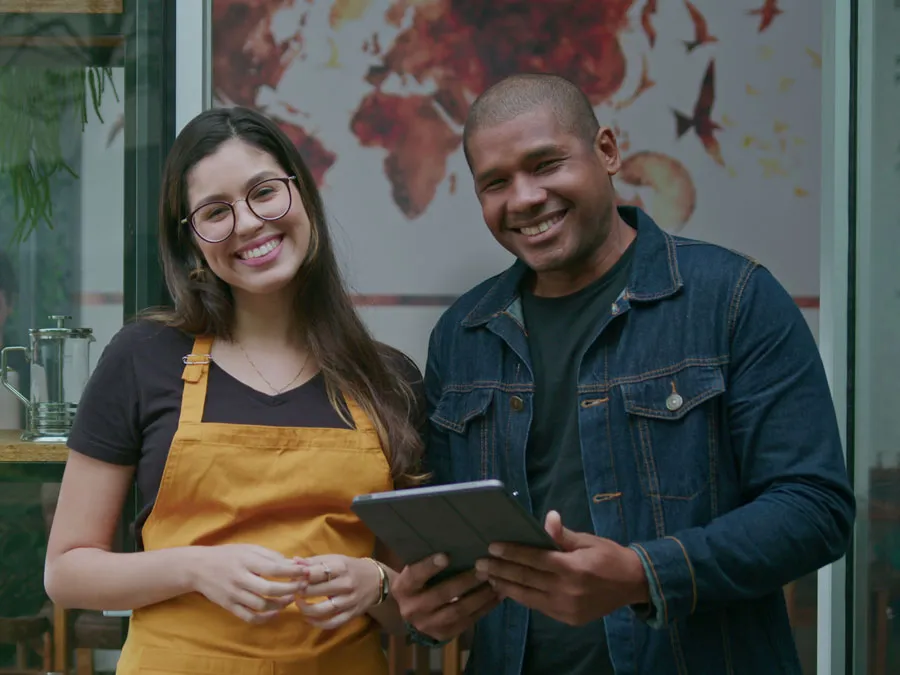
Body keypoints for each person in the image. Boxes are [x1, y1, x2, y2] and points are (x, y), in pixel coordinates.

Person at [390, 73, 855, 674]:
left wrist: (642, 575)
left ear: (607, 151)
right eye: (496, 183)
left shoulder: (733, 297)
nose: (525, 198)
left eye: (546, 164)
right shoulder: (464, 333)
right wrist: (426, 610)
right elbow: (452, 536)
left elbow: (815, 510)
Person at [43, 106, 425, 674]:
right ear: (193, 242)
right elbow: (67, 573)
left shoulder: (389, 381)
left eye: (264, 193)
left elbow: (420, 615)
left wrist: (377, 583)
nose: (247, 224)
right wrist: (195, 568)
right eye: (215, 213)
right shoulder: (142, 357)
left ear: (302, 196)